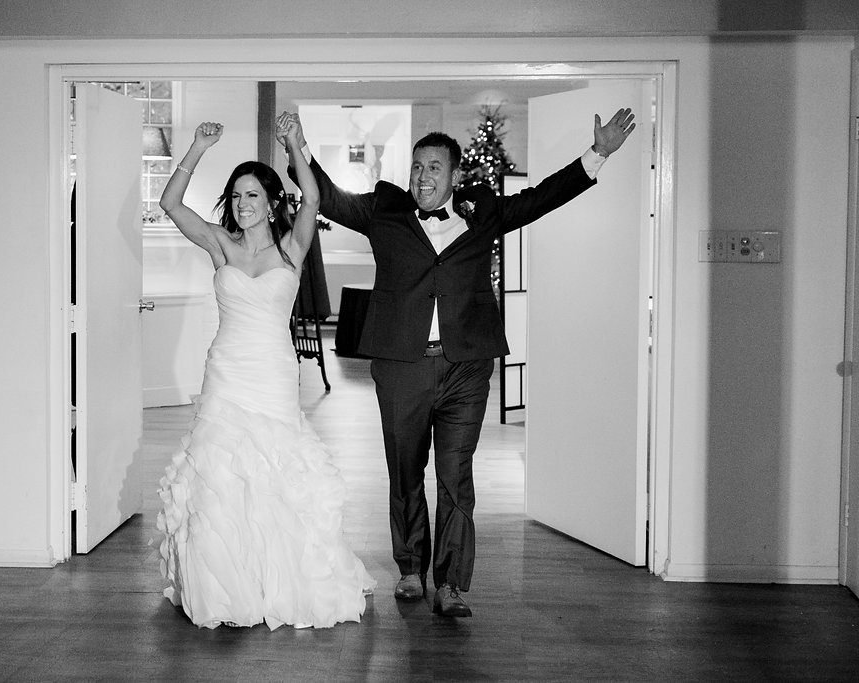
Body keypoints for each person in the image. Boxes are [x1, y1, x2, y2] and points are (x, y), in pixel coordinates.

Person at [286, 108, 636, 618]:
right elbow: (330, 197)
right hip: (402, 364)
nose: (422, 176)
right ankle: (410, 569)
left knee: (456, 475)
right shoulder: (384, 209)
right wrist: (298, 144)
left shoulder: (482, 211)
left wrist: (598, 153)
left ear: (454, 176)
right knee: (405, 472)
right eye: (417, 167)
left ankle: (450, 583)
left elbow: (539, 201)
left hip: (466, 366)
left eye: (433, 168)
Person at [155, 114, 375, 630]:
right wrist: (196, 148)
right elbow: (169, 205)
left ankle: (276, 581)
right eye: (236, 197)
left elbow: (315, 201)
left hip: (273, 374)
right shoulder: (220, 245)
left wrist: (297, 144)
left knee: (275, 470)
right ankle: (224, 585)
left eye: (252, 196)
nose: (242, 204)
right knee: (219, 472)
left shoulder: (290, 248)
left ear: (272, 201)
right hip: (227, 371)